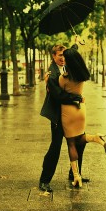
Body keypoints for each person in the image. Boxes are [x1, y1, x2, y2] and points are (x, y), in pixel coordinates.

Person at [39, 44, 89, 193]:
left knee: (79, 143)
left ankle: (74, 174)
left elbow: (72, 52)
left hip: (71, 114)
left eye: (64, 55)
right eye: (59, 55)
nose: (62, 58)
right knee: (55, 147)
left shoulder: (68, 65)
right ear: (53, 56)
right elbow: (58, 96)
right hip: (57, 115)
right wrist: (76, 97)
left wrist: (76, 43)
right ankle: (44, 180)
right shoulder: (52, 74)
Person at [59, 47, 106, 188]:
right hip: (81, 109)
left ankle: (76, 177)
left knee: (71, 143)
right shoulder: (81, 75)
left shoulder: (64, 78)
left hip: (68, 111)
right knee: (80, 137)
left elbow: (59, 92)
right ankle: (96, 138)